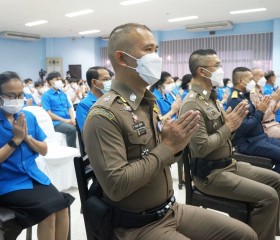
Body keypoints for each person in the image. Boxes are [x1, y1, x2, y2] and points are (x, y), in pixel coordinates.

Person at [83, 23, 258, 240]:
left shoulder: (146, 103)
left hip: (170, 210)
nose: (156, 56)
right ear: (122, 58)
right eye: (148, 50)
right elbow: (117, 186)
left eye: (156, 49)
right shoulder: (104, 115)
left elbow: (161, 157)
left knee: (245, 235)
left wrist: (176, 144)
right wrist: (167, 148)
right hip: (138, 224)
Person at [179, 49, 280, 240]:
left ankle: (264, 231)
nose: (221, 69)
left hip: (228, 164)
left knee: (277, 180)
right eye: (216, 65)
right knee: (269, 196)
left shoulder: (210, 98)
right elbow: (200, 148)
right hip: (210, 174)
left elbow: (227, 135)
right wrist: (229, 127)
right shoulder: (193, 104)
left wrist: (232, 127)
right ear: (202, 71)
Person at [0, 71, 74, 240]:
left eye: (20, 95)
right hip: (7, 182)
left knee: (62, 206)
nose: (17, 99)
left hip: (33, 176)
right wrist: (16, 140)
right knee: (47, 212)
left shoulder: (28, 116)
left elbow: (44, 150)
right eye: (11, 96)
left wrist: (27, 138)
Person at [227, 66, 280, 173]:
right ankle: (275, 184)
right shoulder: (235, 100)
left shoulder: (244, 96)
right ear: (241, 81)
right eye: (250, 79)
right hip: (248, 143)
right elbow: (244, 127)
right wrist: (260, 111)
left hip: (260, 137)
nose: (253, 82)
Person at [41, 71, 77, 148]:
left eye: (60, 79)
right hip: (56, 123)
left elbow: (70, 107)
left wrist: (72, 119)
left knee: (82, 125)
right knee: (71, 129)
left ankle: (84, 152)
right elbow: (49, 114)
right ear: (50, 82)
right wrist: (65, 121)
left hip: (67, 119)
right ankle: (73, 153)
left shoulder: (62, 93)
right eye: (57, 79)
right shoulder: (46, 96)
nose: (59, 81)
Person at [76, 66, 111, 132]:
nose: (110, 82)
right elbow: (87, 133)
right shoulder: (84, 105)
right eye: (106, 79)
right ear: (94, 82)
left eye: (110, 79)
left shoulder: (110, 99)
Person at [251, 67, 280, 138]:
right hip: (266, 126)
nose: (264, 78)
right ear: (252, 78)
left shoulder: (262, 92)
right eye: (261, 76)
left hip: (273, 123)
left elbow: (272, 110)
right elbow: (262, 116)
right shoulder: (253, 94)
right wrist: (274, 100)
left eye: (264, 76)